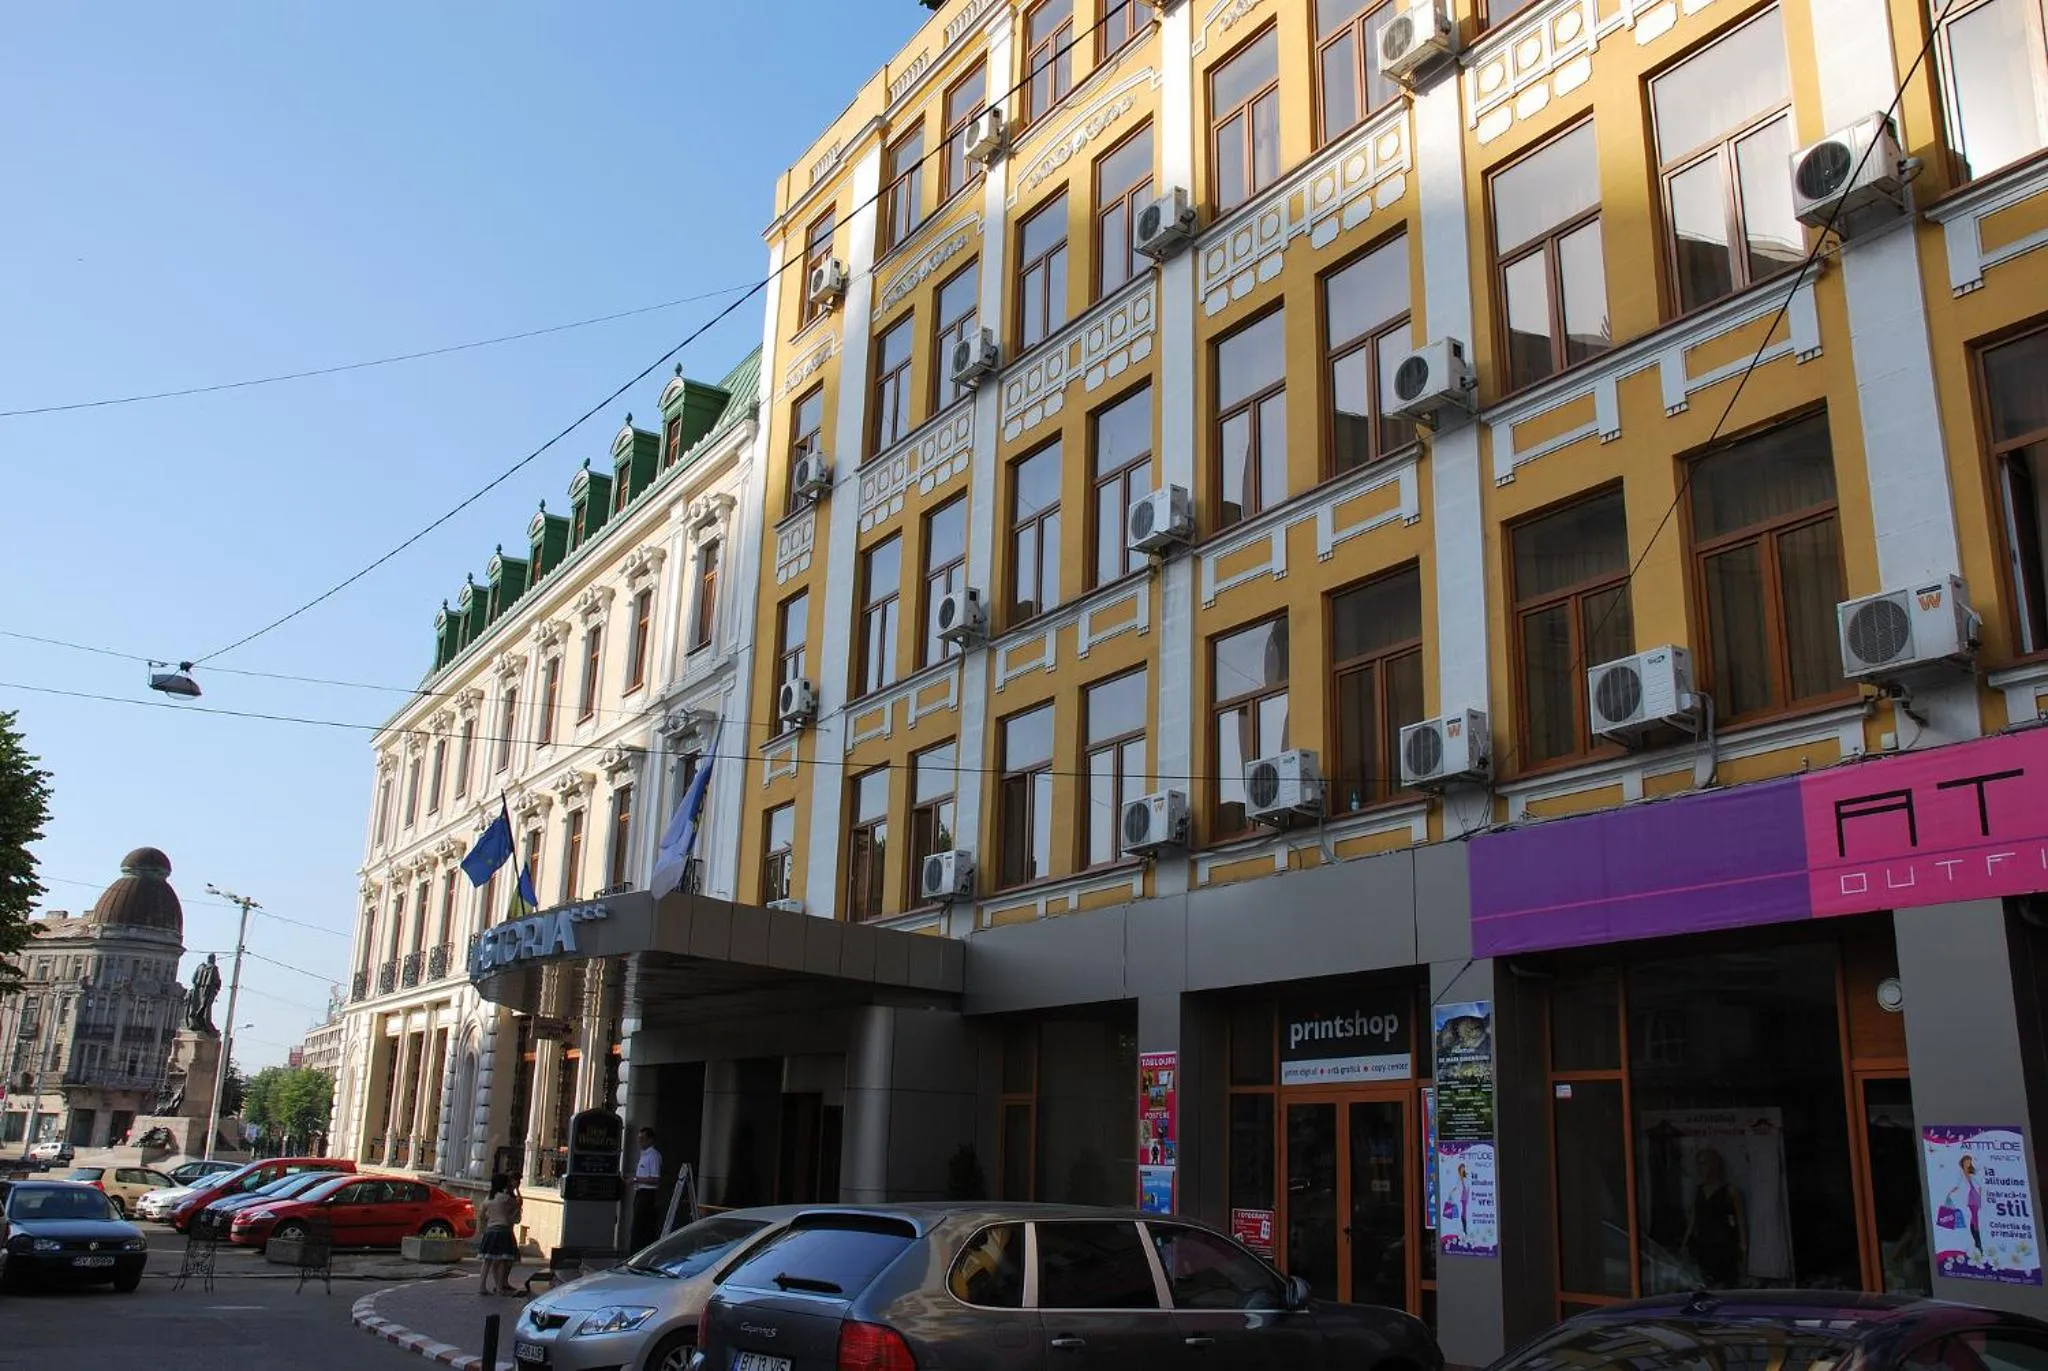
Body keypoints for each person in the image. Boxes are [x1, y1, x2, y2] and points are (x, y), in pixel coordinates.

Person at [1683, 1147, 1746, 1288]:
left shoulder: (1730, 1191)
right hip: (1703, 1246)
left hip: (1724, 1247)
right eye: (1699, 1164)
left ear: (1714, 1165)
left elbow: (1741, 1221)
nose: (1700, 1168)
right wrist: (1685, 1243)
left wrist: (1743, 1247)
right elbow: (1693, 1219)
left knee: (1724, 1285)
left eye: (1704, 1163)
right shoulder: (1699, 1191)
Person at [477, 1173, 522, 1296]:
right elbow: (518, 1205)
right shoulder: (506, 1198)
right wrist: (517, 1190)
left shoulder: (488, 1198)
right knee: (503, 1260)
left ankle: (482, 1286)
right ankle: (499, 1287)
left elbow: (481, 1215)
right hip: (503, 1231)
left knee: (487, 1261)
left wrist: (488, 1221)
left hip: (490, 1231)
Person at [630, 1126, 662, 1252]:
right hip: (640, 1192)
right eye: (639, 1139)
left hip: (647, 1193)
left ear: (650, 1140)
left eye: (643, 1139)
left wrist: (636, 1179)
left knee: (642, 1225)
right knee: (637, 1225)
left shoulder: (653, 1156)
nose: (640, 1141)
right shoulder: (644, 1155)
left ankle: (639, 1251)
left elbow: (655, 1178)